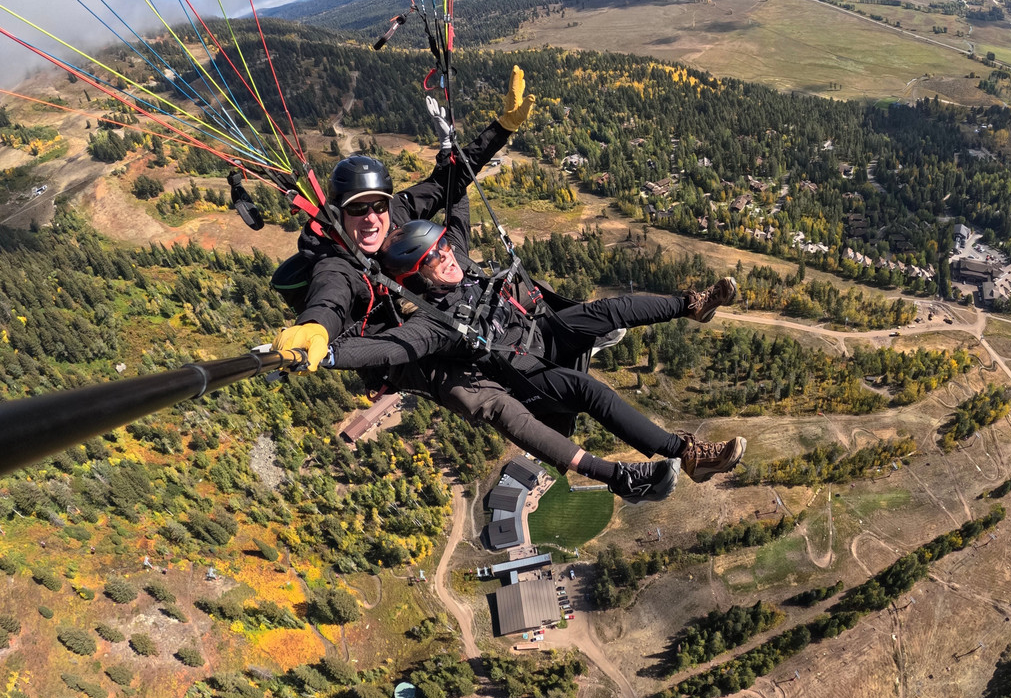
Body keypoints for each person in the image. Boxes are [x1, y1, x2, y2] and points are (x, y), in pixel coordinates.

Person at [326, 217, 747, 502]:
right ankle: (687, 454)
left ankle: (693, 305)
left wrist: (464, 144)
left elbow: (456, 196)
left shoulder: (462, 264)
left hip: (542, 331)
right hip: (529, 375)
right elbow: (390, 348)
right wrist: (324, 352)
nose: (448, 255)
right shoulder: (434, 323)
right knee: (588, 391)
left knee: (605, 311)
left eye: (444, 246)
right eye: (434, 257)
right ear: (415, 275)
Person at [272, 66, 536, 365]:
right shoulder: (337, 261)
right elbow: (330, 297)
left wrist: (501, 129)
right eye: (358, 209)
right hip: (412, 345)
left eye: (379, 206)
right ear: (338, 212)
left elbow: (445, 184)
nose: (372, 218)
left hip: (449, 304)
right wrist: (315, 327)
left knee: (539, 294)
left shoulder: (394, 211)